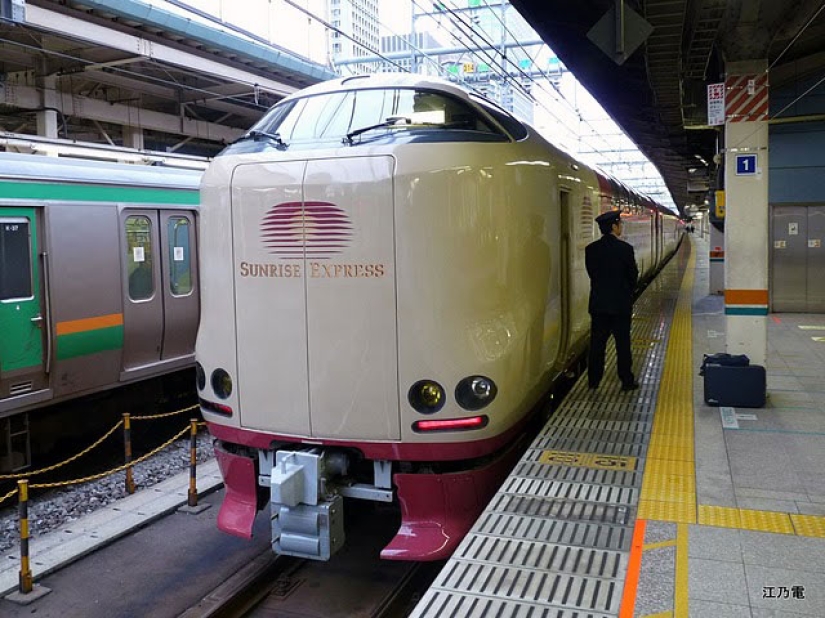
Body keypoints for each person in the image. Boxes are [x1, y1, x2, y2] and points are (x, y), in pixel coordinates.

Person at [585, 210, 639, 391]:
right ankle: (626, 380)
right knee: (623, 344)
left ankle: (593, 381)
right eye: (620, 224)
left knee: (597, 345)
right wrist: (626, 294)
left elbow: (592, 274)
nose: (621, 227)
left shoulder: (591, 250)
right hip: (620, 306)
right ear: (614, 226)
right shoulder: (625, 249)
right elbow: (633, 276)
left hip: (599, 305)